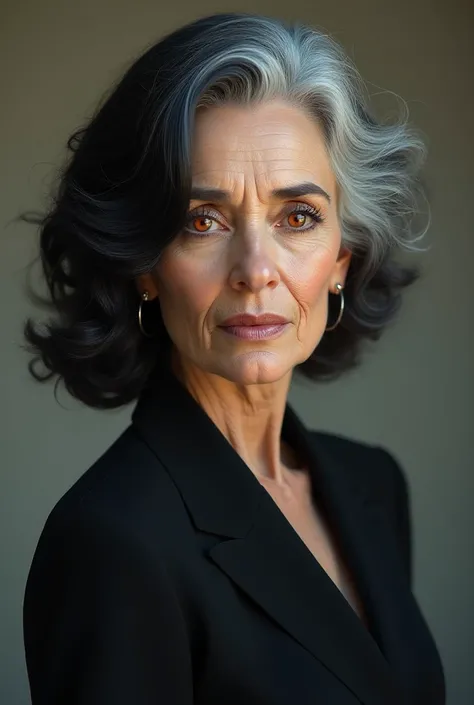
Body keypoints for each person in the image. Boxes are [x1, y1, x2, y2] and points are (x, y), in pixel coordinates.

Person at [21, 12, 445, 705]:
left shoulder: (372, 485)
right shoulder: (109, 541)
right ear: (145, 266)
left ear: (342, 258)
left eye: (297, 217)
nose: (255, 269)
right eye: (202, 220)